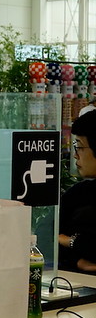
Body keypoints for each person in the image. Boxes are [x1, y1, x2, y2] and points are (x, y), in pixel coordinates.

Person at [59, 109, 96, 272]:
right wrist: (76, 261)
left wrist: (69, 241)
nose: (75, 155)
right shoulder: (78, 193)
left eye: (79, 147)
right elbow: (44, 236)